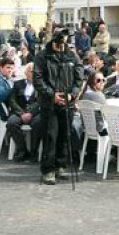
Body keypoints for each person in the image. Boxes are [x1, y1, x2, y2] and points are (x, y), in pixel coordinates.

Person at [34, 31, 85, 185]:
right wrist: (52, 95)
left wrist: (72, 94)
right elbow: (38, 79)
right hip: (49, 103)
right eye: (58, 45)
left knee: (65, 135)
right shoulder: (43, 56)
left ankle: (60, 165)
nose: (60, 48)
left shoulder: (72, 56)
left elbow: (79, 77)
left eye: (63, 45)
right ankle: (48, 170)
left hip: (67, 101)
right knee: (51, 136)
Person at [5, 63, 40, 161]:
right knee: (11, 123)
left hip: (35, 113)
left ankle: (34, 151)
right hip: (19, 111)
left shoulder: (41, 85)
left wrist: (31, 113)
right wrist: (21, 113)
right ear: (26, 72)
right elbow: (12, 100)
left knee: (39, 123)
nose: (34, 73)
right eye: (31, 71)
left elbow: (41, 102)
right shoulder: (18, 84)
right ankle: (22, 150)